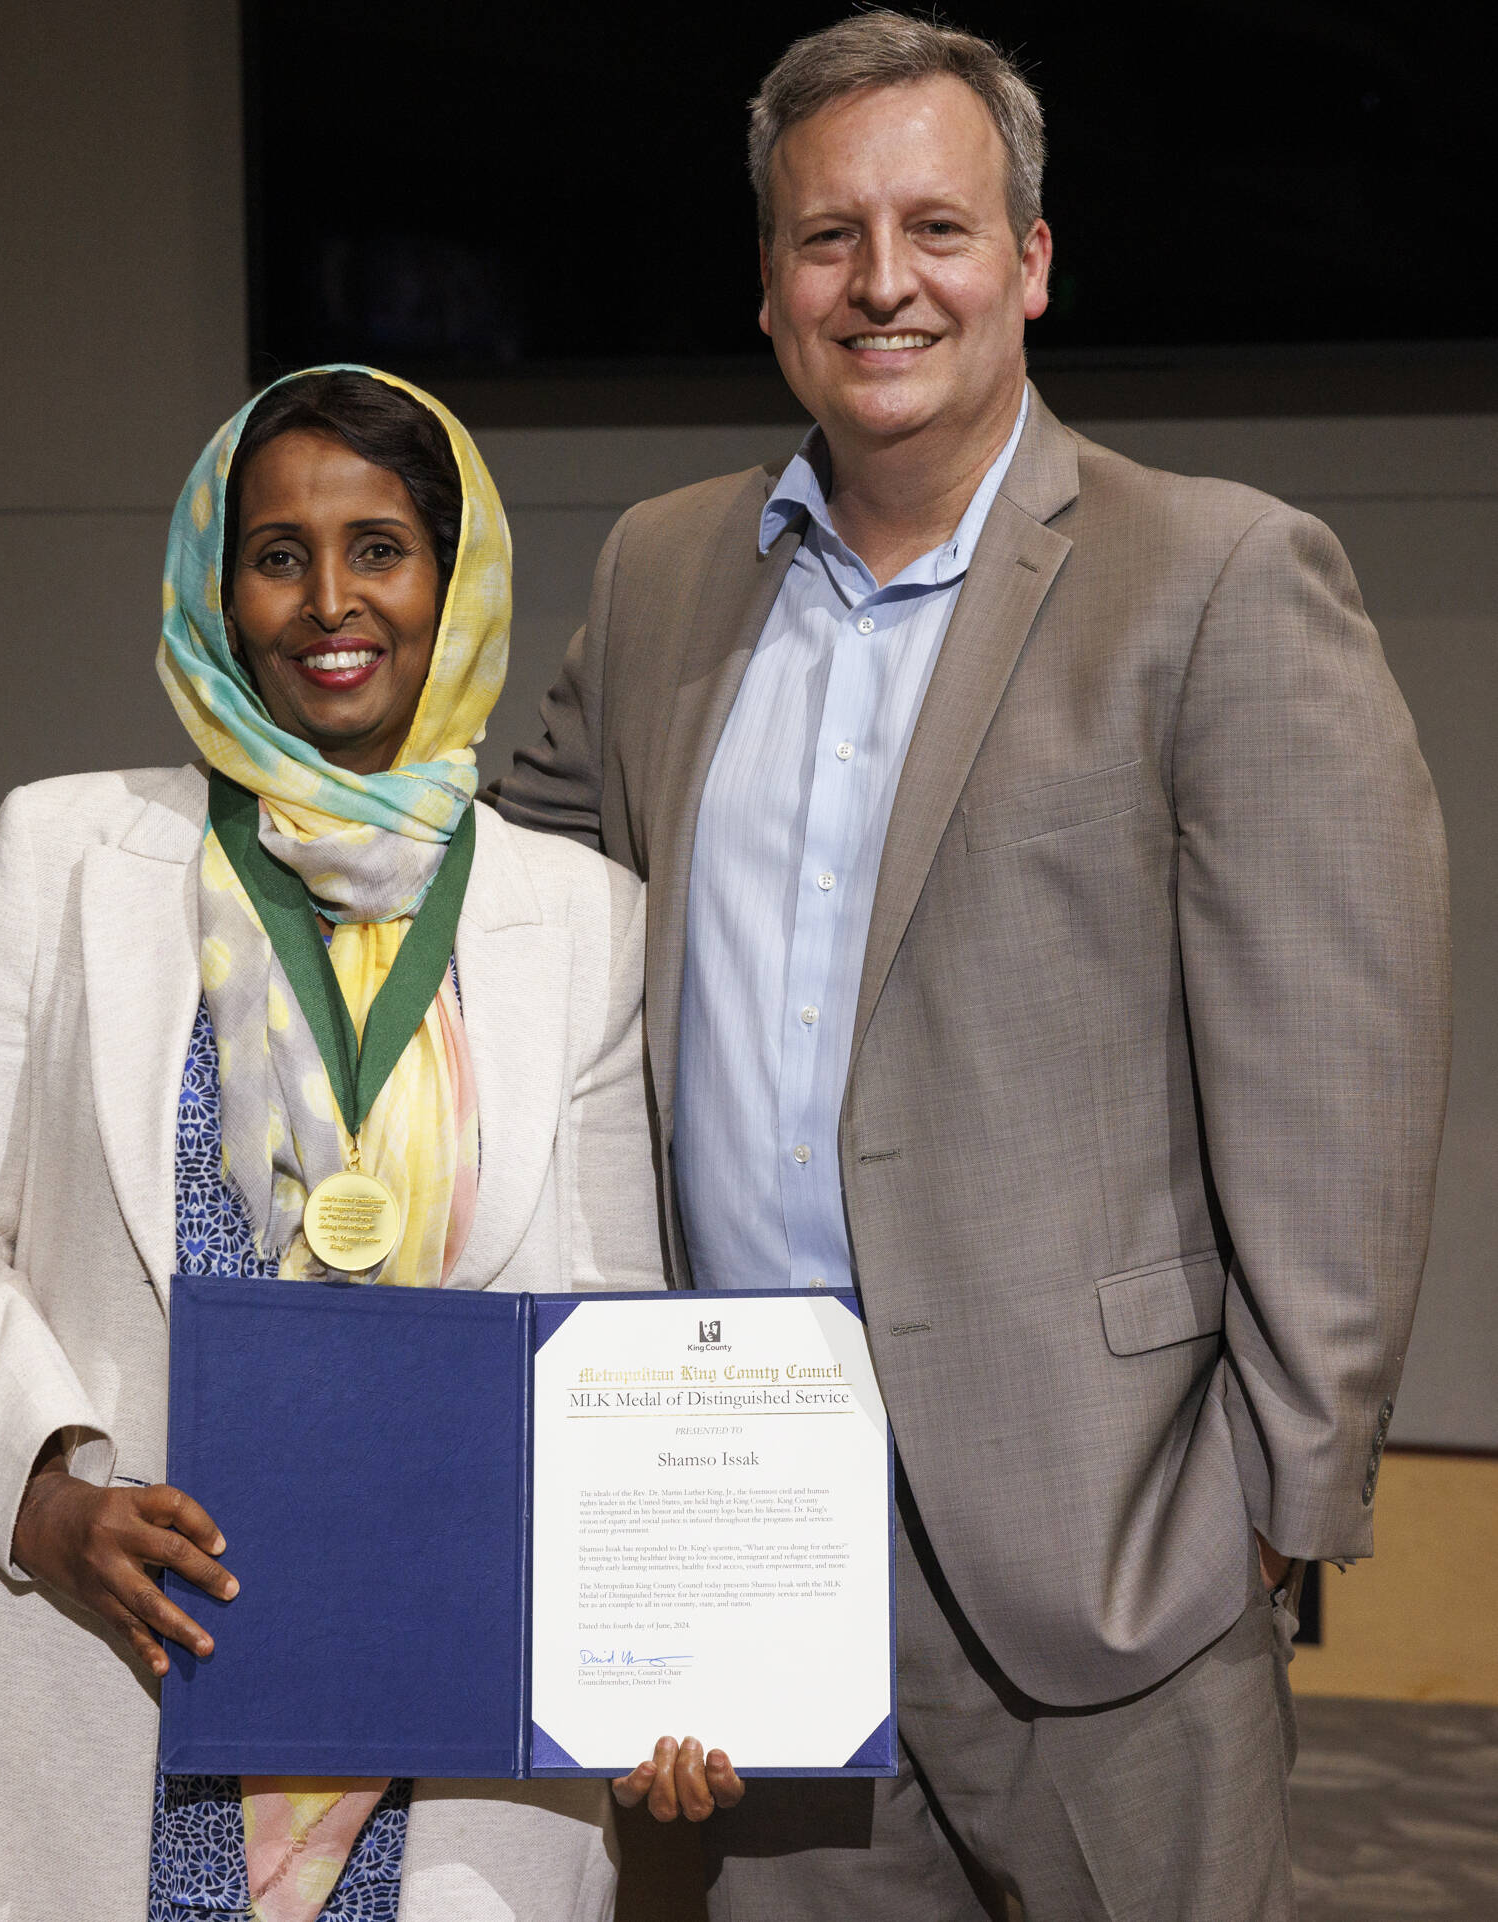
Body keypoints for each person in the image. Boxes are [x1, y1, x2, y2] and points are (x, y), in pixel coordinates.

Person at [494, 14, 1453, 1920]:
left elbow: (1341, 1079)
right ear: (768, 286)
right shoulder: (663, 572)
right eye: (824, 235)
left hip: (1109, 1547)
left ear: (1026, 261)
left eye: (934, 226)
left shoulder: (1220, 575)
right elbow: (503, 912)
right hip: (736, 1527)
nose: (880, 281)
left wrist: (1278, 1507)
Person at [0, 366, 668, 1922]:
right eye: (278, 552)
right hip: (87, 1675)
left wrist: (669, 1644)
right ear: (218, 587)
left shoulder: (581, 922)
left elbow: (613, 1330)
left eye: (381, 546)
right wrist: (45, 1494)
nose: (330, 599)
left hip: (447, 1738)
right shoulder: (65, 853)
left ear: (455, 573)